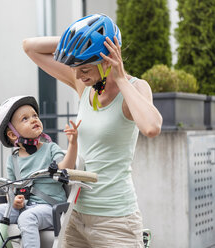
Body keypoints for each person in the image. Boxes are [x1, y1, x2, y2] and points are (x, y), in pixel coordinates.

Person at [23, 14, 162, 247]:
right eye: (75, 68)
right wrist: (79, 40)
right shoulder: (85, 87)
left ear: (107, 59)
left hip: (116, 221)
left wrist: (121, 78)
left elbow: (151, 127)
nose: (77, 75)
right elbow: (30, 47)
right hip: (76, 214)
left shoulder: (136, 88)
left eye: (84, 68)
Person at [0, 95, 80, 248]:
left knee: (27, 218)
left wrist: (73, 144)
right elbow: (11, 188)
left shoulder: (51, 148)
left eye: (34, 115)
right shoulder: (13, 159)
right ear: (13, 135)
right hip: (25, 206)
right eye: (25, 119)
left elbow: (65, 168)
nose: (33, 119)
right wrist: (13, 200)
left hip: (50, 207)